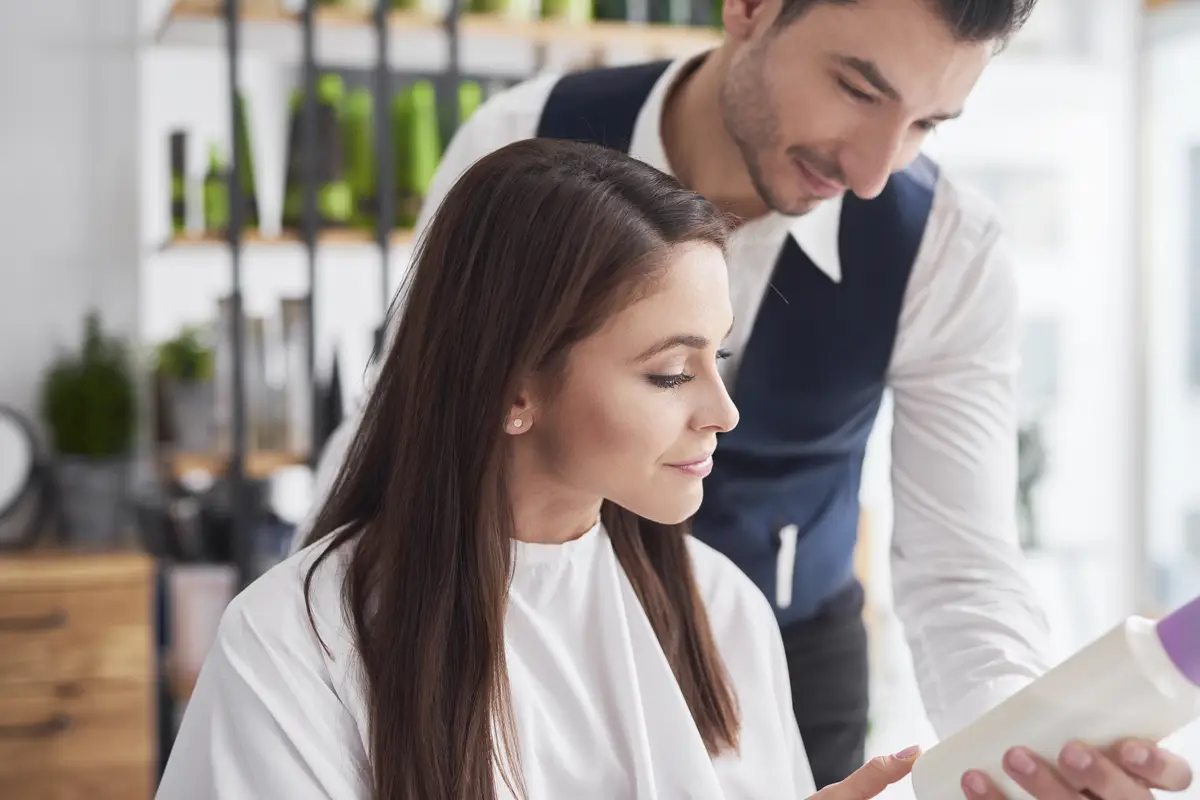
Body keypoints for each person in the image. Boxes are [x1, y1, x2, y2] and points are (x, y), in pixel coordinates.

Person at [298, 0, 1197, 795]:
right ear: (749, 7)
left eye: (926, 123)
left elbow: (961, 568)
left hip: (772, 668)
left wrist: (1031, 752)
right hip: (504, 642)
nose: (876, 168)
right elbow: (413, 408)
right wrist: (318, 624)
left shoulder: (946, 248)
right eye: (857, 87)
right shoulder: (524, 141)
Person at [160, 138, 915, 798]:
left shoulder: (723, 613)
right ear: (515, 389)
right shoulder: (297, 643)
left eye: (716, 357)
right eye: (669, 373)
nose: (724, 412)